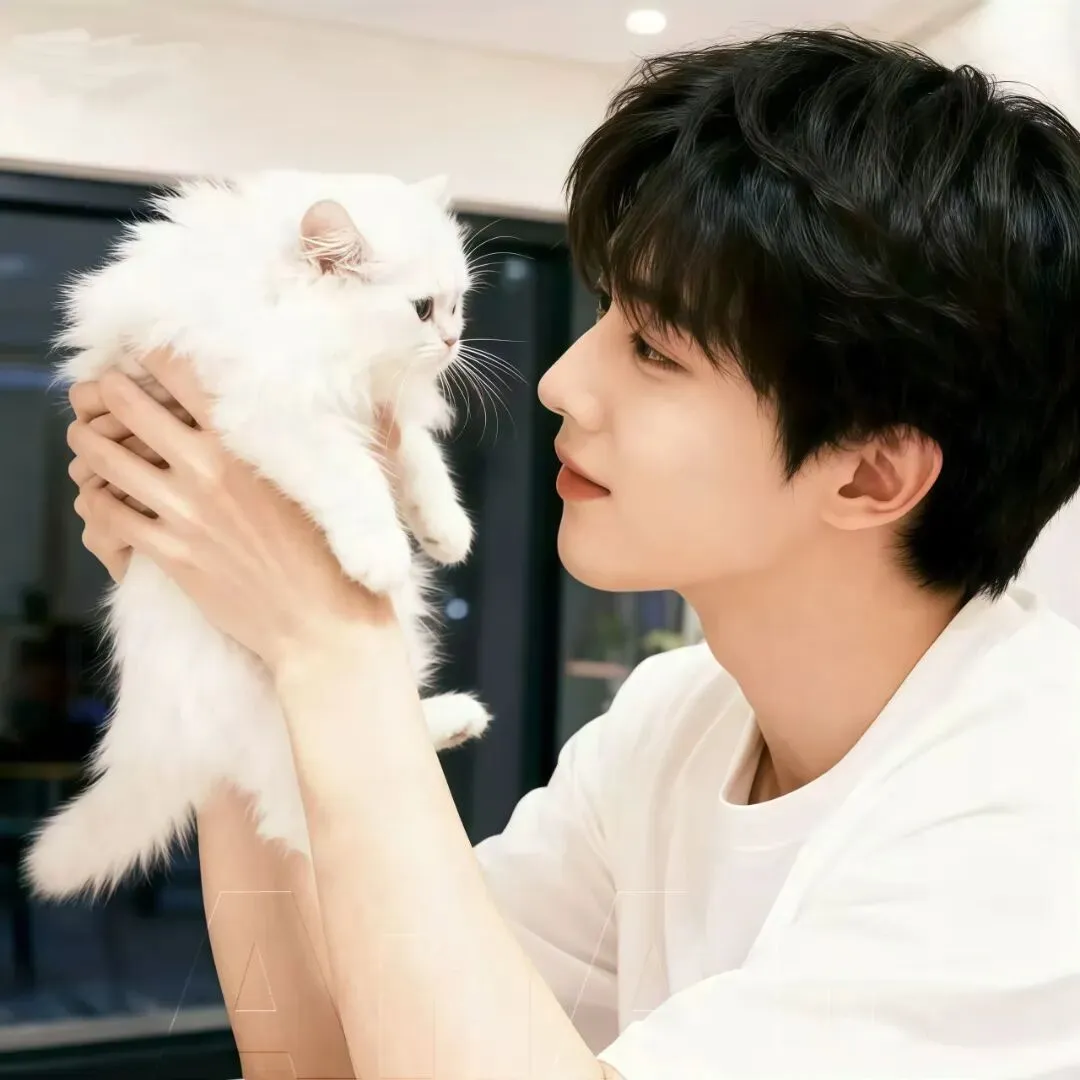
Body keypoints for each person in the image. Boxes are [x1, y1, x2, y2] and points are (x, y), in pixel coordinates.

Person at [66, 29, 1080, 1080]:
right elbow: (329, 1058)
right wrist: (235, 644)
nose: (560, 383)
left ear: (869, 475)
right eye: (606, 314)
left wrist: (330, 642)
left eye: (654, 348)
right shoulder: (673, 722)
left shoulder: (1034, 816)